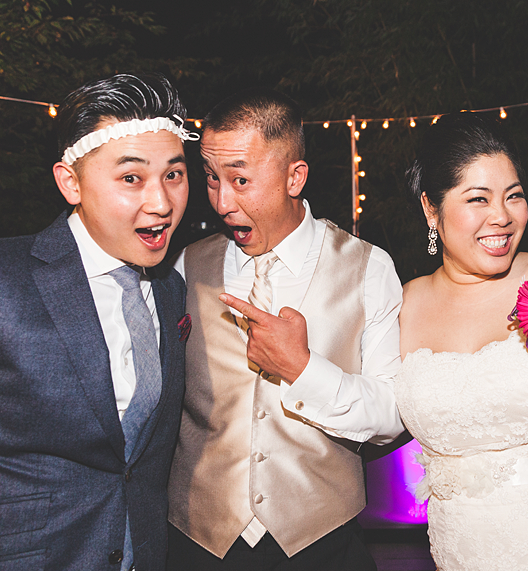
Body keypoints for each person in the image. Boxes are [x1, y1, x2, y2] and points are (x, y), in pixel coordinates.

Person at [0, 72, 194, 570]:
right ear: (71, 183)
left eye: (173, 175)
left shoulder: (172, 290)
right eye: (131, 178)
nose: (161, 203)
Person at [166, 88, 403, 571]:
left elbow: (392, 414)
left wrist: (302, 369)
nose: (221, 202)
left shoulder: (369, 267)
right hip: (197, 544)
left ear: (294, 177)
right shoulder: (185, 265)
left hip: (323, 546)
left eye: (240, 180)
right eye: (211, 178)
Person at [396, 112, 528, 571]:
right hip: (459, 550)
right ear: (431, 208)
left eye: (514, 196)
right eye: (479, 199)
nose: (503, 217)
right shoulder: (402, 305)